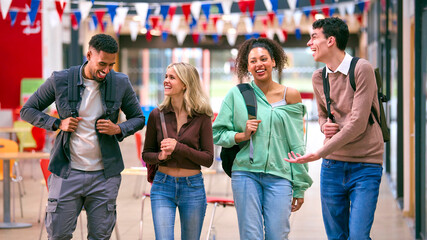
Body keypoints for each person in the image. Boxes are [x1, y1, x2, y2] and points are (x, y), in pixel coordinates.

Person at [20, 34, 145, 239]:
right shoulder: (60, 80)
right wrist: (58, 123)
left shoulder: (120, 82)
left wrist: (119, 129)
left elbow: (138, 118)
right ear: (88, 55)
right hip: (66, 173)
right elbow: (28, 110)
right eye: (102, 64)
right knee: (59, 235)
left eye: (111, 65)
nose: (106, 71)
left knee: (100, 236)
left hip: (105, 175)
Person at [285, 17, 384, 240]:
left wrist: (319, 152)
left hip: (366, 165)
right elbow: (322, 114)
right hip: (333, 167)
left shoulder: (361, 69)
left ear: (330, 40)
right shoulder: (318, 77)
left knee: (358, 236)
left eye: (314, 37)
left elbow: (358, 124)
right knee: (336, 236)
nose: (309, 43)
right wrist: (324, 126)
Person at [212, 38, 313, 239]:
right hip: (245, 174)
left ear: (274, 61)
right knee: (251, 235)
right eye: (253, 61)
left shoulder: (290, 95)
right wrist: (241, 135)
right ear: (247, 66)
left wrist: (300, 185)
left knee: (278, 234)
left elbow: (296, 143)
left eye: (263, 59)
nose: (259, 64)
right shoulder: (236, 95)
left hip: (280, 175)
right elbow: (217, 133)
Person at [141, 62, 214, 240]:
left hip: (193, 187)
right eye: (166, 76)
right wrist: (160, 156)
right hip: (162, 185)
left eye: (172, 77)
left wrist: (178, 148)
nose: (166, 80)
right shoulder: (157, 115)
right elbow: (146, 154)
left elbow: (208, 158)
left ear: (185, 84)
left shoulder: (202, 116)